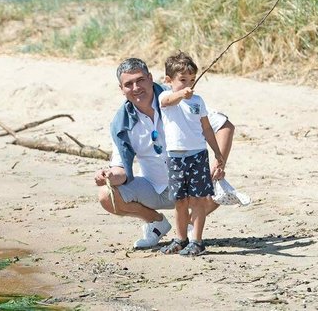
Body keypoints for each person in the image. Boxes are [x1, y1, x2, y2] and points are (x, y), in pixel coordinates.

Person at [94, 57, 234, 249]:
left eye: (140, 80)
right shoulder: (121, 123)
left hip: (188, 183)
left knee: (216, 189)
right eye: (129, 84)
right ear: (121, 89)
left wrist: (218, 164)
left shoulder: (179, 98)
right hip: (154, 188)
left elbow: (224, 126)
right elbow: (122, 170)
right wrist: (108, 176)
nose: (136, 87)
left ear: (151, 78)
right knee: (105, 195)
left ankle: (190, 228)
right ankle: (156, 223)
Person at [157, 52, 224, 256]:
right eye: (183, 80)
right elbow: (169, 100)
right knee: (179, 201)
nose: (189, 84)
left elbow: (206, 128)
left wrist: (217, 152)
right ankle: (181, 238)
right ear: (169, 80)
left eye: (192, 80)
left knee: (198, 199)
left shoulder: (198, 101)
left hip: (198, 156)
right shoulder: (165, 97)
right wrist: (181, 94)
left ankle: (197, 240)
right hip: (176, 158)